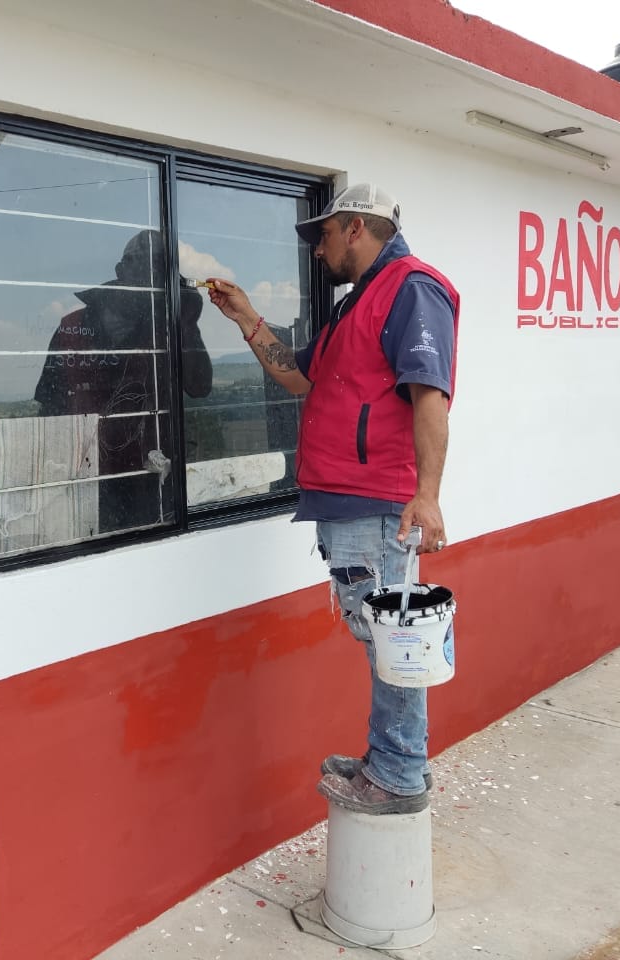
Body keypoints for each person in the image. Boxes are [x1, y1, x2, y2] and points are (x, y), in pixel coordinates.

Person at [207, 183, 459, 816]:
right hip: (350, 502)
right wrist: (244, 317)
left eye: (322, 236)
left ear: (355, 228)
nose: (317, 252)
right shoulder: (359, 304)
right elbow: (298, 375)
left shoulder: (411, 289)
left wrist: (427, 495)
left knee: (393, 639)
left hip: (377, 503)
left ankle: (398, 774)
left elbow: (431, 394)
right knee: (380, 635)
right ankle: (387, 759)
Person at [35, 228, 212, 531]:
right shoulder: (73, 327)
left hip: (154, 474)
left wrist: (187, 320)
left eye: (160, 264)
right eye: (141, 261)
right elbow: (49, 408)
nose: (150, 271)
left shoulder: (168, 326)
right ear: (121, 270)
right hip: (86, 473)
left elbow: (200, 386)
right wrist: (53, 474)